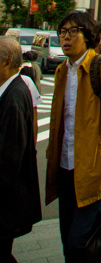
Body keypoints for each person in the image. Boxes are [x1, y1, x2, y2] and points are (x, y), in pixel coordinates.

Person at [46, 10, 101, 263]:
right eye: (62, 32)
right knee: (67, 243)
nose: (65, 38)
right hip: (66, 169)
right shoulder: (61, 71)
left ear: (87, 34)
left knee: (80, 242)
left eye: (73, 31)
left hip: (93, 173)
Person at [0, 37, 41, 263]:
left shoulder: (14, 94)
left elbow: (9, 156)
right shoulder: (12, 88)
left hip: (6, 201)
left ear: (6, 62)